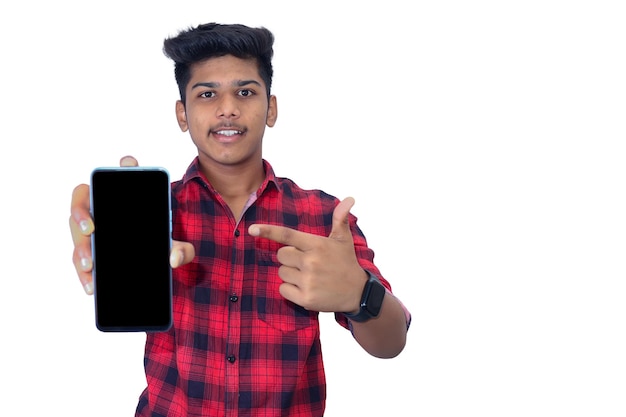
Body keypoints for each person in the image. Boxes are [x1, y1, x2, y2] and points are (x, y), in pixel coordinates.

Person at [69, 22, 411, 417]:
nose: (227, 107)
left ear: (271, 108)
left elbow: (392, 342)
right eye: (207, 94)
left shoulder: (322, 216)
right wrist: (101, 229)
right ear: (182, 114)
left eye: (245, 92)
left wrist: (359, 296)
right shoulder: (153, 212)